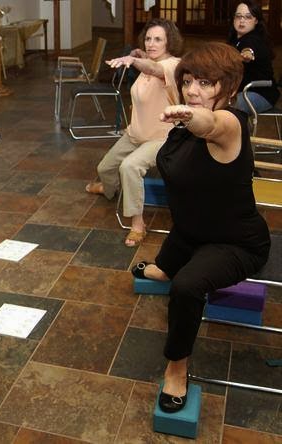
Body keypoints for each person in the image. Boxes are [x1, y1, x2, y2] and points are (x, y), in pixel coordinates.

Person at [131, 42, 270, 413]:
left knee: (187, 286)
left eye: (206, 83)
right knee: (168, 261)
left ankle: (177, 368)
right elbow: (165, 73)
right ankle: (165, 267)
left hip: (236, 242)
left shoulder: (229, 123)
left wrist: (190, 115)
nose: (193, 90)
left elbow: (210, 124)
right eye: (189, 81)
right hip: (190, 231)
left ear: (230, 88)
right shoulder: (186, 116)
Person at [85, 18, 183, 247]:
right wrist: (138, 54)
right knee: (104, 168)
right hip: (135, 134)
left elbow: (155, 69)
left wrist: (133, 59)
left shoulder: (173, 65)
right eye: (148, 38)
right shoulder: (148, 60)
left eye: (158, 39)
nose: (151, 43)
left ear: (169, 41)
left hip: (162, 138)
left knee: (129, 167)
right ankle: (110, 189)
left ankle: (138, 225)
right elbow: (148, 61)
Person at [227, 1, 279, 114]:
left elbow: (249, 49)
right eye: (238, 16)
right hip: (242, 91)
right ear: (234, 18)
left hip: (261, 93)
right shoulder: (234, 40)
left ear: (256, 20)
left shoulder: (254, 40)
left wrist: (248, 54)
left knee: (226, 105)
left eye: (248, 17)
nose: (242, 20)